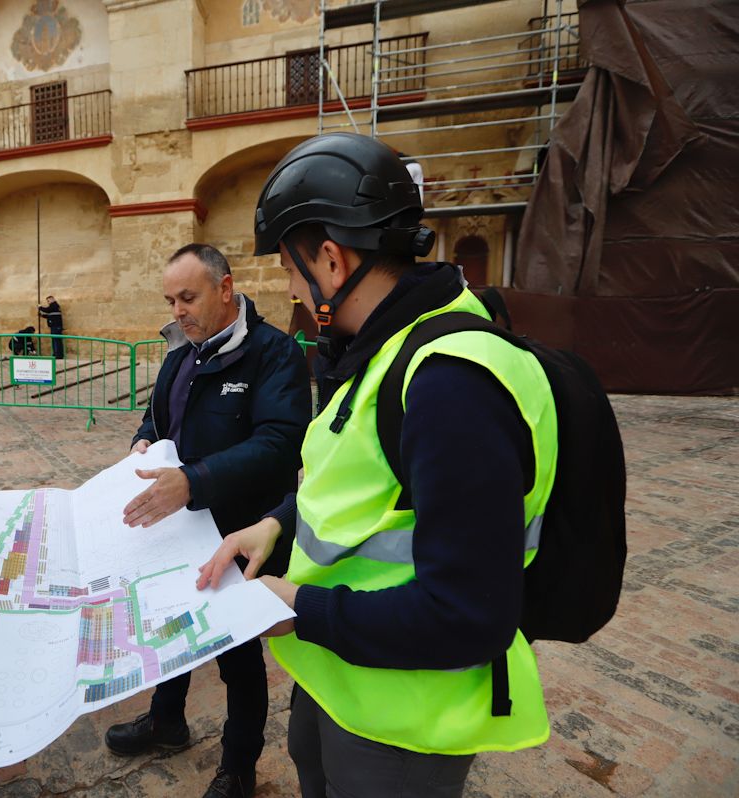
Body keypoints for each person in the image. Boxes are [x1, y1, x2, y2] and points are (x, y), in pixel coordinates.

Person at [197, 133, 559, 798]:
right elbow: (357, 481)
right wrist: (277, 525)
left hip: (405, 724)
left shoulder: (452, 383)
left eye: (287, 268)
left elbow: (468, 615)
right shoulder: (379, 350)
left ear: (331, 261)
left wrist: (298, 609)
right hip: (339, 680)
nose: (290, 291)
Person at [105, 244, 311, 798]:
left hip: (241, 534)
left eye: (188, 297)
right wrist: (143, 442)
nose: (178, 310)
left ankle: (238, 767)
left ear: (226, 288)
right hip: (177, 525)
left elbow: (280, 445)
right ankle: (165, 720)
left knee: (237, 658)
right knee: (170, 627)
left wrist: (195, 480)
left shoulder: (276, 354)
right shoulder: (181, 354)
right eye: (171, 299)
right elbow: (157, 415)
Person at [37, 294, 64, 359]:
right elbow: (49, 316)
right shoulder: (53, 308)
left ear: (52, 300)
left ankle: (58, 355)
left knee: (57, 341)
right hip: (54, 326)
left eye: (48, 301)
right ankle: (55, 353)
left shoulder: (54, 305)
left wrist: (40, 307)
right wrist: (41, 315)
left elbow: (47, 310)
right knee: (54, 340)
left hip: (56, 327)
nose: (48, 303)